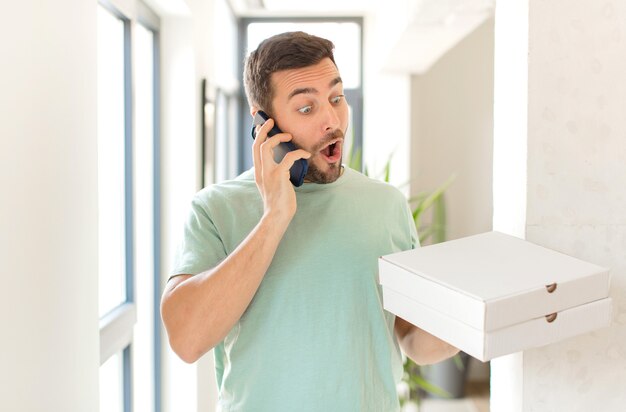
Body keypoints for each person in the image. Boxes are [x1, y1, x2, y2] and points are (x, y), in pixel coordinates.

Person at [161, 31, 458, 411]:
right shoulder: (215, 209)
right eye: (306, 108)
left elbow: (412, 340)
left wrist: (467, 324)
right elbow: (187, 340)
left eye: (336, 98)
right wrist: (274, 217)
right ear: (264, 124)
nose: (332, 120)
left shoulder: (387, 204)